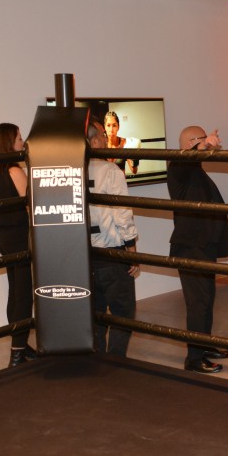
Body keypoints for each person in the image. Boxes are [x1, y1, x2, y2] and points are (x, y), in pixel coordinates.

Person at [168, 126, 228, 374]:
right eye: (202, 140)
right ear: (191, 143)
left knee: (207, 299)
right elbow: (185, 160)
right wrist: (203, 145)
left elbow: (213, 205)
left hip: (204, 246)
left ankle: (204, 345)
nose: (209, 145)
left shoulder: (198, 172)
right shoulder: (178, 165)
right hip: (191, 247)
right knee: (198, 303)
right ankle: (194, 358)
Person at [0, 123, 36, 368]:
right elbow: (32, 208)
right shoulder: (15, 171)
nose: (22, 142)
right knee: (23, 294)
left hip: (3, 238)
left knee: (15, 290)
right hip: (20, 237)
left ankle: (21, 346)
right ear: (9, 143)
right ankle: (17, 353)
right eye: (19, 138)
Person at [87, 123, 140, 357]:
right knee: (123, 312)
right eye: (102, 135)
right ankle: (117, 361)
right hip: (112, 252)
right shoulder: (111, 171)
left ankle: (99, 360)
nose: (106, 138)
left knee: (96, 313)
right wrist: (132, 250)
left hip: (86, 255)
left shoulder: (73, 170)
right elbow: (122, 213)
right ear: (94, 141)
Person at [104, 111, 140, 175]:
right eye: (108, 125)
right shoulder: (101, 144)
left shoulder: (124, 143)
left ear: (118, 127)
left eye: (114, 125)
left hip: (120, 181)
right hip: (105, 181)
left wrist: (136, 159)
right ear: (105, 127)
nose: (111, 130)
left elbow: (134, 171)